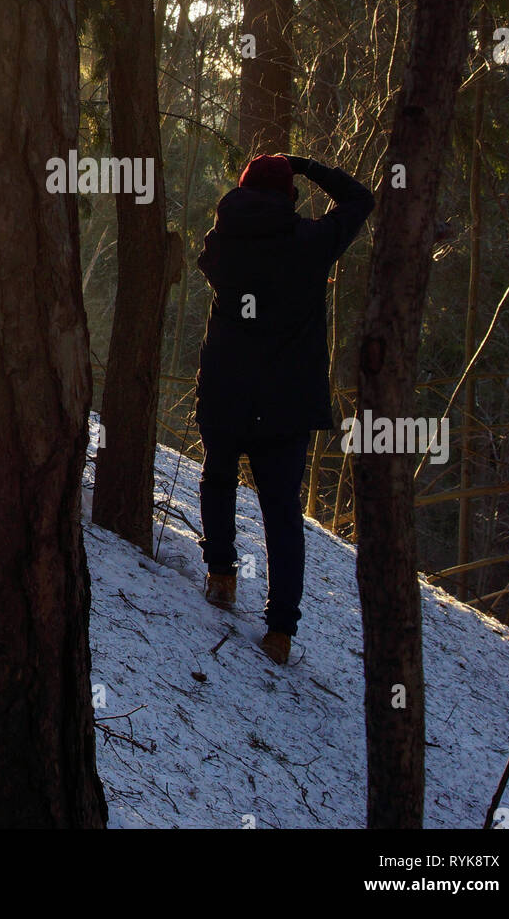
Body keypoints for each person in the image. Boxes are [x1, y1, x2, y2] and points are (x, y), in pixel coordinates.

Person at [194, 152, 374, 664]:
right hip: (287, 404)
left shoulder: (221, 241)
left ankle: (222, 576)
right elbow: (361, 198)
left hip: (228, 386)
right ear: (289, 195)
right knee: (281, 512)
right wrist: (308, 166)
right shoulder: (310, 244)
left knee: (219, 477)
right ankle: (279, 632)